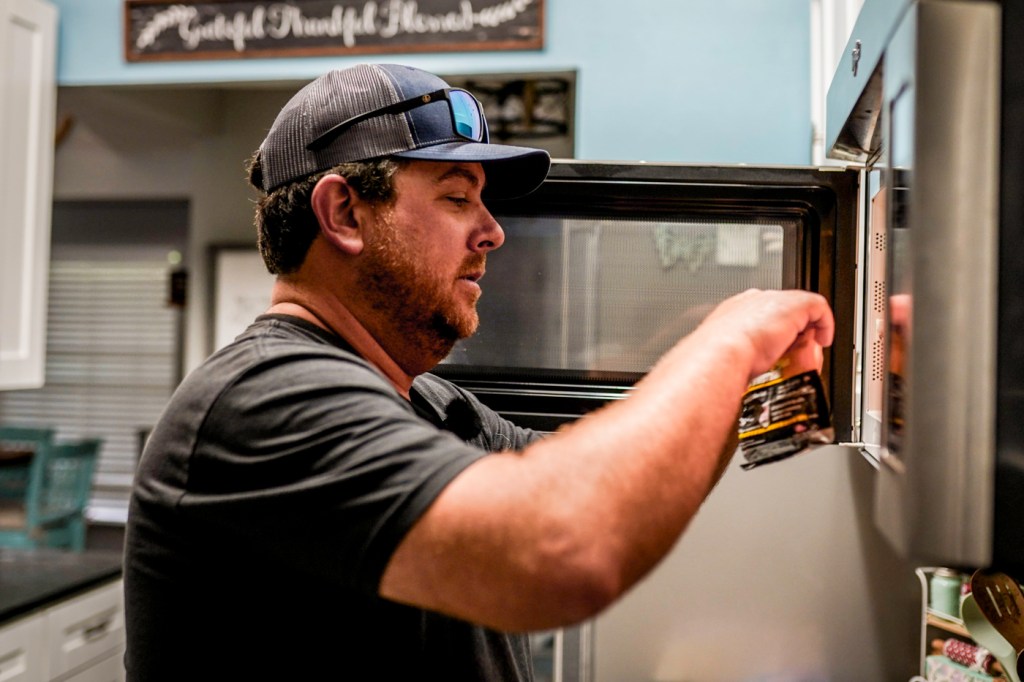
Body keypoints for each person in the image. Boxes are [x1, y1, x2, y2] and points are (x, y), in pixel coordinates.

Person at [123, 63, 834, 681]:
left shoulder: (428, 402)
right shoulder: (262, 399)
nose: (493, 231)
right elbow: (562, 547)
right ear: (344, 213)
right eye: (458, 197)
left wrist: (759, 373)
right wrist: (729, 342)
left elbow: (609, 483)